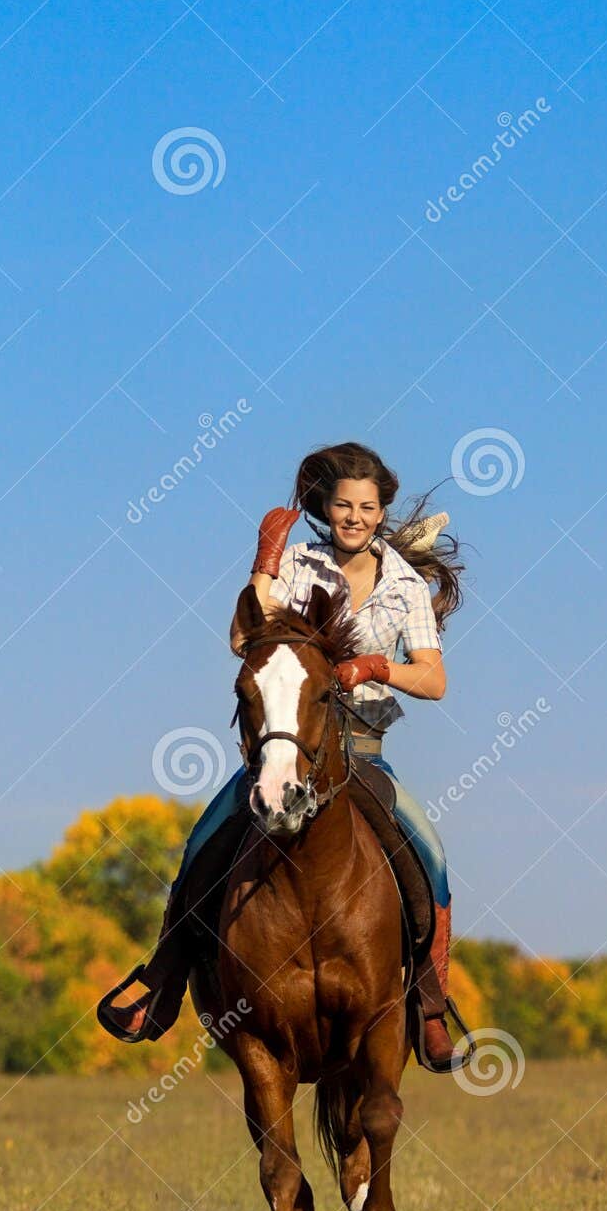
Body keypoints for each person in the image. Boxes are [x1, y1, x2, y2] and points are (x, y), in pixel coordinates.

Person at [97, 441, 470, 1070]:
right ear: (326, 507)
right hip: (289, 745)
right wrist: (264, 564)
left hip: (362, 749)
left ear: (382, 514)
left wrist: (376, 667)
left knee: (429, 854)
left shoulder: (405, 584)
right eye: (344, 504)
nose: (354, 516)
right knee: (205, 841)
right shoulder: (298, 563)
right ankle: (162, 980)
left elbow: (434, 681)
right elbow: (247, 638)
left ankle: (431, 1005)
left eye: (368, 506)